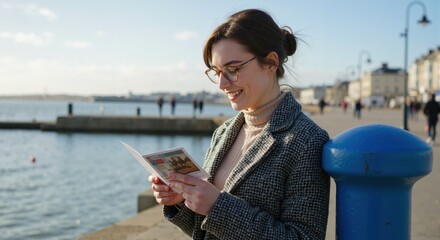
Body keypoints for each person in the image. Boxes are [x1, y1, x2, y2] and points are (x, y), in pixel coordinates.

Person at [149, 9, 330, 239]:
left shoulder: (307, 140)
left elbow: (304, 236)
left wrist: (217, 206)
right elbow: (206, 230)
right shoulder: (223, 132)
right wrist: (182, 201)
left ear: (271, 62)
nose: (222, 84)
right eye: (217, 72)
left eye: (233, 70)